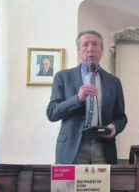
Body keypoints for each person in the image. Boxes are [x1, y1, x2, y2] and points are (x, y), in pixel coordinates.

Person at [46, 30, 127, 164]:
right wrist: (77, 99)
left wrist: (114, 127)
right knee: (70, 179)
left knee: (104, 179)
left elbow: (121, 117)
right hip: (72, 147)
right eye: (85, 45)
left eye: (95, 44)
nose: (90, 49)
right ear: (79, 51)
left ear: (101, 51)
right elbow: (52, 113)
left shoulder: (113, 82)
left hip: (103, 146)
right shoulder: (63, 77)